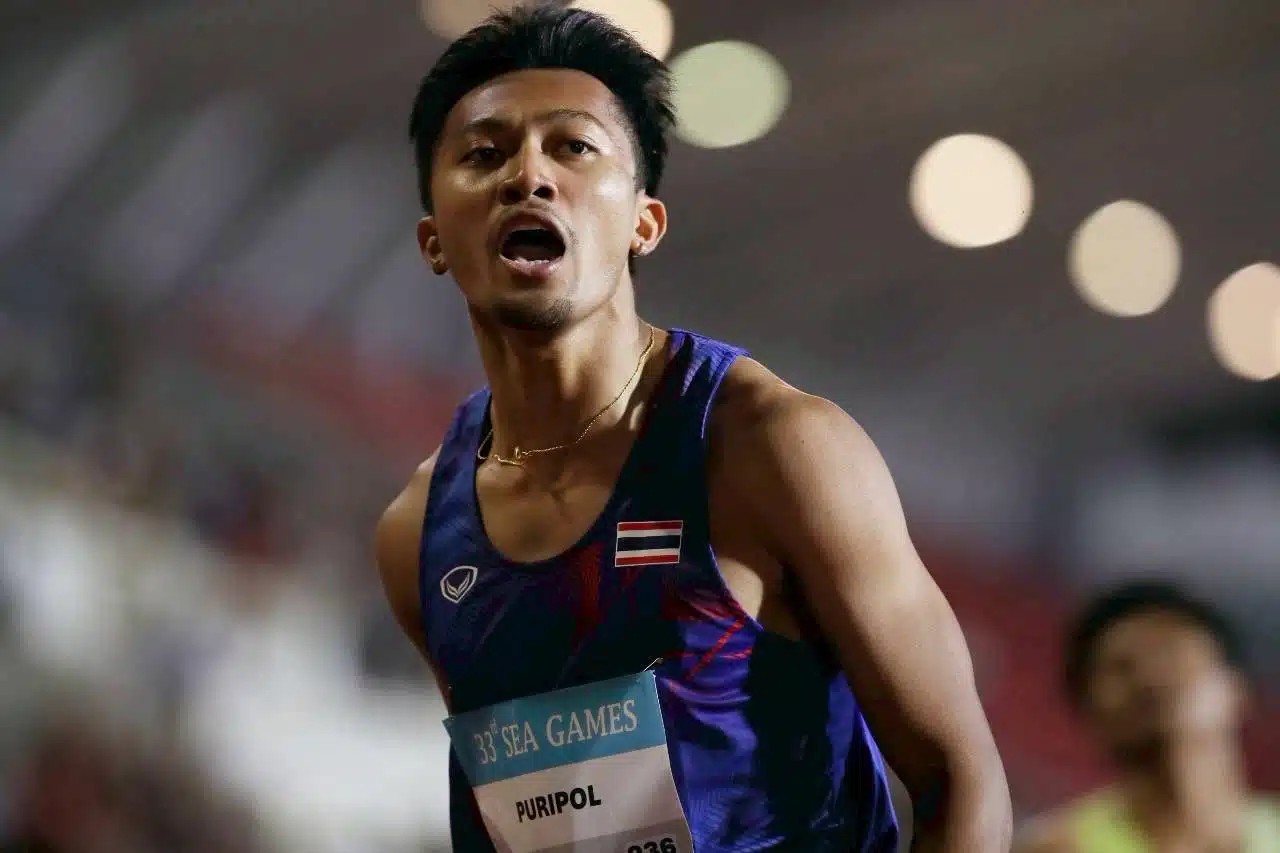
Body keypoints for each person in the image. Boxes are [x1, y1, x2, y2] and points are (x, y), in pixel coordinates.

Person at [375, 6, 1010, 852]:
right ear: (433, 241)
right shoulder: (418, 532)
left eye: (573, 147)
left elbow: (961, 783)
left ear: (644, 223)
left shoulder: (772, 446)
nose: (527, 175)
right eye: (484, 154)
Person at [1015, 581, 1280, 853]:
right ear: (1087, 712)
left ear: (1235, 688)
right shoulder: (1056, 847)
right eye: (1121, 667)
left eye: (1171, 652)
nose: (1151, 677)